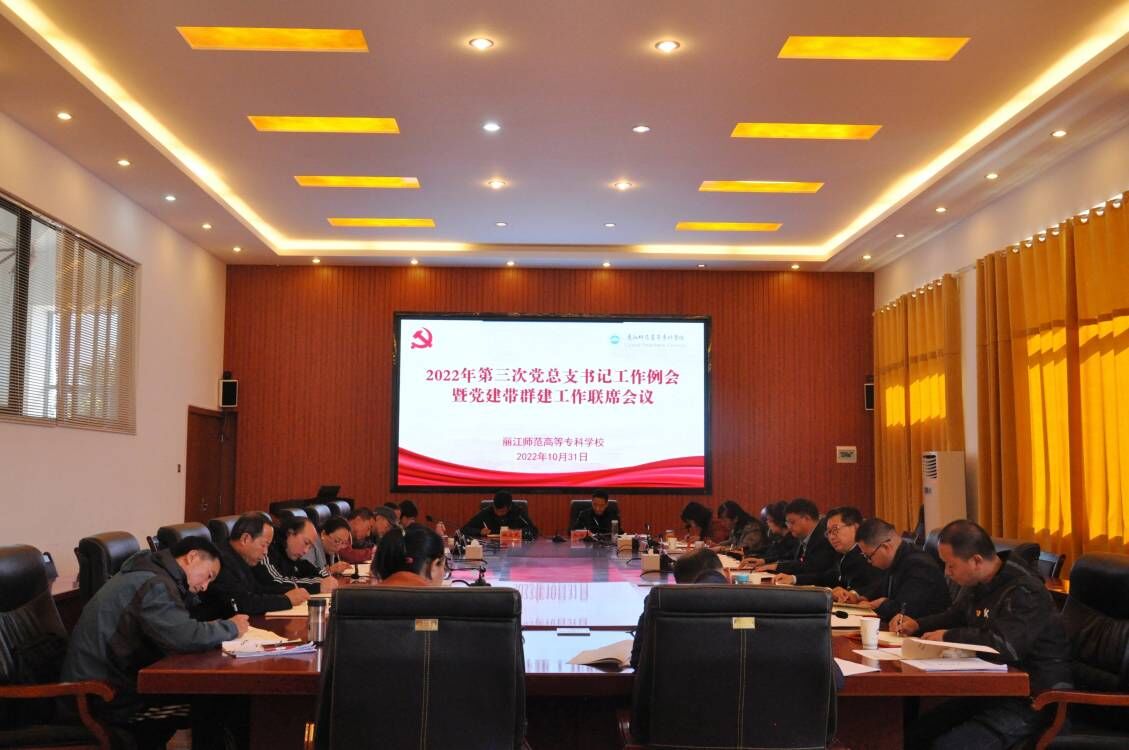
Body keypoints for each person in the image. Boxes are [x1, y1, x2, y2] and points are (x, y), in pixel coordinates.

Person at [896, 520, 1071, 750]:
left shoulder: (1025, 591)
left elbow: (1004, 645)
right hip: (992, 690)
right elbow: (956, 615)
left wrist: (947, 636)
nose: (947, 573)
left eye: (950, 565)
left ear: (976, 561)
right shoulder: (980, 582)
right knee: (913, 736)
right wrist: (917, 624)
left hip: (1034, 699)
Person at [62, 537, 248, 748]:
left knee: (215, 698)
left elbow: (178, 630)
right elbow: (184, 637)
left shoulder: (150, 574)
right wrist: (232, 627)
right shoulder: (154, 584)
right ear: (192, 557)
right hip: (106, 699)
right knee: (215, 703)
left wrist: (209, 629)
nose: (205, 586)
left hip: (112, 687)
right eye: (208, 576)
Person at [193, 512, 309, 619]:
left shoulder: (238, 557)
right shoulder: (220, 561)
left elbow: (256, 589)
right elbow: (243, 603)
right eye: (264, 545)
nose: (266, 552)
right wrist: (286, 600)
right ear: (245, 539)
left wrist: (288, 591)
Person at [848, 518, 951, 621]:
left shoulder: (919, 566)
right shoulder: (897, 558)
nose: (869, 561)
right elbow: (880, 588)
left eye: (868, 556)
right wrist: (861, 597)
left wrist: (880, 604)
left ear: (885, 547)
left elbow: (904, 610)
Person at [772, 506, 880, 595]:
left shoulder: (870, 555)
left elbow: (874, 588)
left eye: (835, 530)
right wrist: (793, 578)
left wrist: (852, 594)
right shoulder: (841, 554)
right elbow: (826, 577)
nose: (831, 537)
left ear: (856, 528)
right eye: (828, 532)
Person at [755, 498, 836, 576]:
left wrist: (779, 568)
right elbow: (792, 557)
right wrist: (766, 562)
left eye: (792, 522)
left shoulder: (824, 537)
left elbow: (811, 567)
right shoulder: (801, 536)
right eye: (787, 523)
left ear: (806, 518)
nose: (789, 527)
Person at [257, 517, 339, 595]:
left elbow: (314, 571)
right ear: (290, 533)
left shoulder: (293, 555)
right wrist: (318, 585)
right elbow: (276, 582)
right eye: (306, 543)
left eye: (310, 547)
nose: (306, 551)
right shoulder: (267, 550)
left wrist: (326, 579)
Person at [375, 525, 448, 586]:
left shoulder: (372, 594)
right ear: (434, 566)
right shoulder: (438, 599)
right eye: (444, 567)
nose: (444, 573)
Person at [460, 491, 539, 539]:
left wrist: (515, 532)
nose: (498, 513)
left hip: (514, 549)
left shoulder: (518, 513)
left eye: (502, 511)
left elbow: (534, 530)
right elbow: (464, 529)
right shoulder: (486, 512)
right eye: (496, 510)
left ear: (509, 507)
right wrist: (479, 531)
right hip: (491, 548)